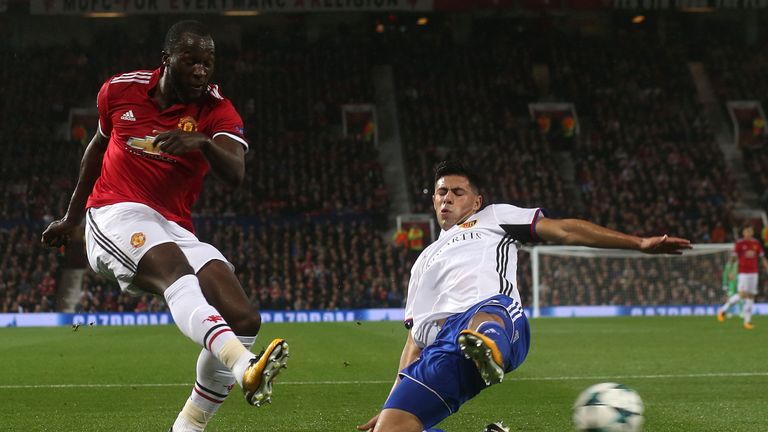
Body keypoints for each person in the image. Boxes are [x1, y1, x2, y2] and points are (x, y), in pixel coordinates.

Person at [41, 20, 289, 431]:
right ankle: (245, 364)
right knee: (176, 272)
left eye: (208, 63)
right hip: (113, 212)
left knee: (243, 317)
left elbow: (236, 174)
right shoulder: (120, 90)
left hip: (173, 225)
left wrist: (204, 143)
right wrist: (71, 218)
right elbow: (96, 148)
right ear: (167, 60)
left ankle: (188, 427)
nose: (200, 71)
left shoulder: (216, 110)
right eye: (191, 61)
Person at [356, 160, 691, 432]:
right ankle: (479, 354)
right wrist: (391, 403)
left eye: (458, 192)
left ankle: (486, 345)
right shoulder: (422, 260)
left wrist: (639, 243)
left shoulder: (493, 218)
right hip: (441, 350)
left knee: (484, 316)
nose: (447, 198)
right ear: (433, 200)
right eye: (442, 192)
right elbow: (415, 340)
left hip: (494, 316)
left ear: (476, 202)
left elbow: (565, 230)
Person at [717, 225, 768, 329]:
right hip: (743, 273)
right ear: (743, 233)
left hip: (754, 273)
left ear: (752, 232)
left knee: (751, 296)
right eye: (746, 231)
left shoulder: (756, 243)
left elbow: (762, 257)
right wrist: (731, 271)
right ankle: (723, 310)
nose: (748, 233)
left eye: (750, 231)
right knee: (742, 294)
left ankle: (747, 321)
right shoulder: (739, 244)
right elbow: (733, 258)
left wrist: (766, 266)